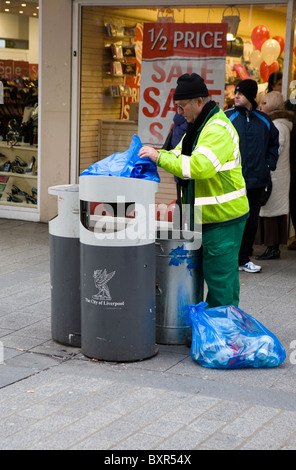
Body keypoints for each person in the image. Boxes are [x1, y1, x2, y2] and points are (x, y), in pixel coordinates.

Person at [139, 73, 249, 308]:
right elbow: (178, 154)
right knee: (223, 279)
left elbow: (199, 166)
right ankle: (222, 329)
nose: (179, 112)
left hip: (222, 219)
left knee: (221, 284)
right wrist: (155, 153)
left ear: (199, 101)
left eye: (182, 106)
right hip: (208, 217)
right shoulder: (198, 126)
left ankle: (222, 338)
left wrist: (159, 157)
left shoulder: (216, 129)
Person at [225, 79, 279, 273]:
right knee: (231, 221)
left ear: (250, 96)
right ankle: (230, 258)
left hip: (257, 180)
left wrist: (268, 164)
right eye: (235, 92)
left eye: (240, 93)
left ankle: (243, 258)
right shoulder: (226, 118)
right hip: (232, 180)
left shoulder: (264, 120)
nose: (236, 96)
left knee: (251, 221)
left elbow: (274, 143)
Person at [255, 91, 293, 259]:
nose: (260, 106)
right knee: (273, 211)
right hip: (277, 175)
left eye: (263, 103)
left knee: (271, 211)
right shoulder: (281, 124)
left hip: (274, 176)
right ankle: (273, 247)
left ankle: (272, 247)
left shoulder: (277, 126)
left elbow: (274, 151)